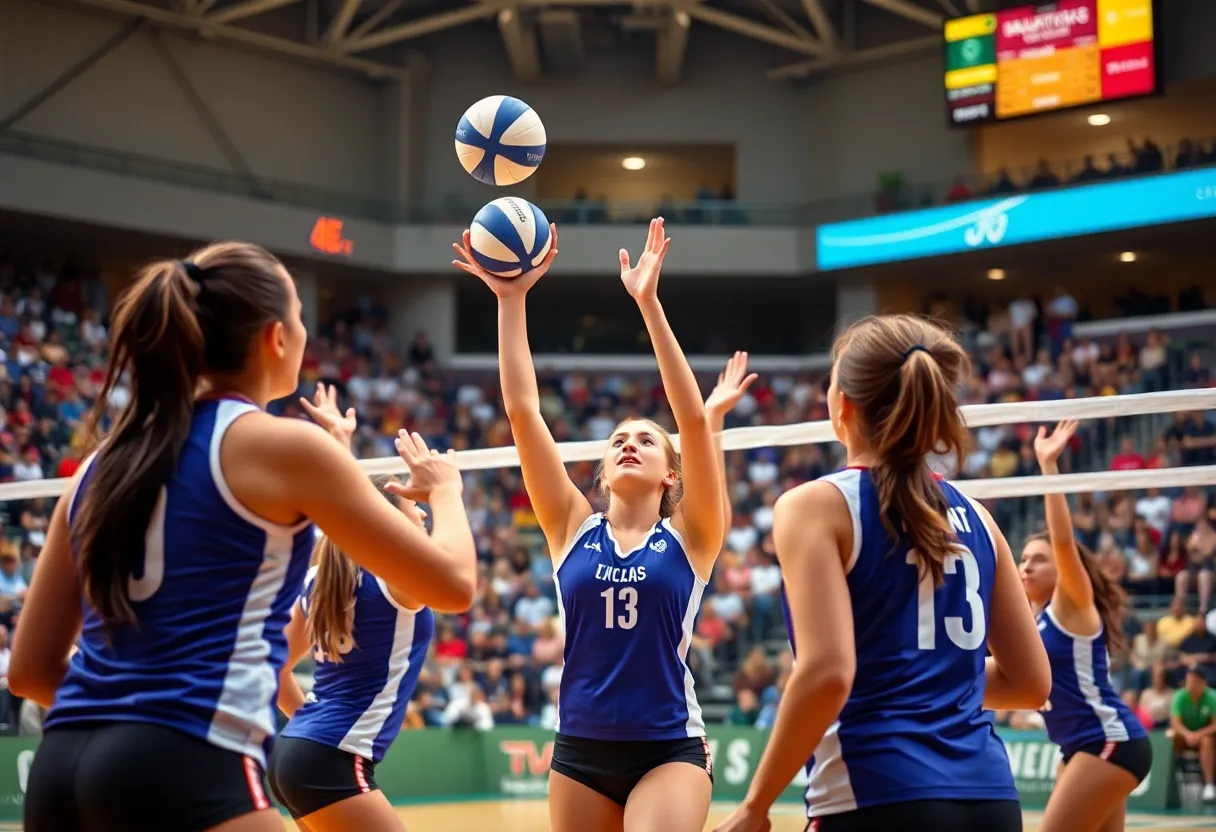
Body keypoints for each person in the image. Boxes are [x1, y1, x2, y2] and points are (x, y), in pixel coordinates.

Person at [10, 243, 478, 832]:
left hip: (60, 768)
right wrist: (446, 493)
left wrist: (118, 717)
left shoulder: (103, 464)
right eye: (303, 319)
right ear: (277, 338)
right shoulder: (278, 445)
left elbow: (29, 670)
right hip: (183, 759)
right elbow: (455, 585)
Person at [715, 314, 1051, 832]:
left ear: (841, 404)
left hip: (876, 792)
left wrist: (755, 804)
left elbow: (829, 673)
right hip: (991, 799)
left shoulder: (814, 505)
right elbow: (1030, 683)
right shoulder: (980, 516)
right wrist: (926, 671)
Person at [453, 218, 734, 832]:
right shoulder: (569, 528)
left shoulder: (694, 535)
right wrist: (510, 299)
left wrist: (649, 304)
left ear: (670, 474)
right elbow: (523, 412)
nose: (630, 445)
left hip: (668, 748)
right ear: (603, 471)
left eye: (645, 441)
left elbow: (691, 419)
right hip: (578, 749)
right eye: (618, 441)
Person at [267, 385, 451, 831]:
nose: (422, 515)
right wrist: (448, 494)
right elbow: (456, 575)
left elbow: (346, 514)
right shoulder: (399, 585)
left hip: (296, 750)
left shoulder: (322, 579)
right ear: (388, 523)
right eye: (413, 509)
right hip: (332, 760)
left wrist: (340, 445)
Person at [1018, 420, 1152, 832]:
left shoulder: (1073, 605)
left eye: (1037, 560)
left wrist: (1048, 467)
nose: (1026, 566)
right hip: (1078, 749)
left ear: (1063, 570)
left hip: (1109, 742)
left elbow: (1062, 541)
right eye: (1022, 559)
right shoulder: (1032, 621)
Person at [1171, 666, 1216, 801]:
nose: (1189, 685)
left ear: (1203, 683)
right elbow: (1176, 724)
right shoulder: (1179, 696)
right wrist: (1188, 734)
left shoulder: (1212, 697)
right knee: (1171, 738)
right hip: (1184, 735)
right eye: (1188, 681)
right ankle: (1170, 780)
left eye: (1193, 682)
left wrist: (1198, 734)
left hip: (1202, 735)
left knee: (1207, 741)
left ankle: (1209, 785)